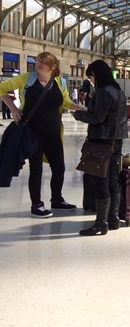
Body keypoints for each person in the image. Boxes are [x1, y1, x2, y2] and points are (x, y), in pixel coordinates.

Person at [0, 52, 83, 218]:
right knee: (36, 169)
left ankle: (57, 199)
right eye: (38, 61)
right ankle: (36, 204)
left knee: (59, 167)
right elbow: (2, 89)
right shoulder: (27, 79)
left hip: (53, 132)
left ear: (52, 66)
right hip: (32, 133)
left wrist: (83, 109)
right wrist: (14, 109)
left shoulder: (61, 82)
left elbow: (66, 102)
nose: (39, 64)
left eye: (43, 62)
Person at [73, 61, 128, 235]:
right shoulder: (118, 90)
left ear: (98, 75)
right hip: (116, 140)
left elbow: (97, 117)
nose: (91, 80)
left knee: (100, 179)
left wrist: (78, 114)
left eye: (91, 76)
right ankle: (113, 219)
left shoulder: (104, 92)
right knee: (112, 178)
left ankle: (101, 223)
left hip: (102, 141)